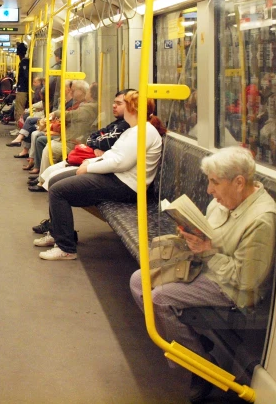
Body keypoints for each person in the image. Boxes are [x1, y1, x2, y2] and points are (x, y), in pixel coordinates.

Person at [129, 146, 276, 402]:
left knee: (160, 298)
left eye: (215, 183)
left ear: (239, 182)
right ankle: (194, 349)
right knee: (138, 281)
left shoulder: (261, 220)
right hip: (207, 266)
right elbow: (210, 236)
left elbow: (247, 280)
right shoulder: (225, 201)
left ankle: (200, 369)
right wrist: (191, 234)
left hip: (233, 290)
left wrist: (207, 252)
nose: (209, 190)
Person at [35, 91, 166, 259]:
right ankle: (57, 233)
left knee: (59, 191)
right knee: (55, 182)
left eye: (122, 103)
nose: (117, 106)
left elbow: (120, 163)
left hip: (126, 185)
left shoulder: (143, 132)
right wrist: (90, 163)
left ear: (132, 108)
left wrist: (89, 168)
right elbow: (113, 155)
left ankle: (66, 248)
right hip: (117, 177)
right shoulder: (133, 130)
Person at [31, 88, 134, 234]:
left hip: (118, 179)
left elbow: (114, 155)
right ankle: (56, 227)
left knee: (57, 187)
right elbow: (94, 137)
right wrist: (96, 152)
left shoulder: (131, 129)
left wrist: (89, 166)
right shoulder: (123, 126)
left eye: (119, 103)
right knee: (53, 177)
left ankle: (63, 240)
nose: (114, 106)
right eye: (114, 102)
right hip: (102, 165)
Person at [14, 42, 30, 121]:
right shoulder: (25, 61)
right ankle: (18, 127)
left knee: (19, 108)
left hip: (22, 89)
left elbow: (25, 76)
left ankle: (19, 128)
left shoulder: (24, 62)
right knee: (18, 108)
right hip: (21, 88)